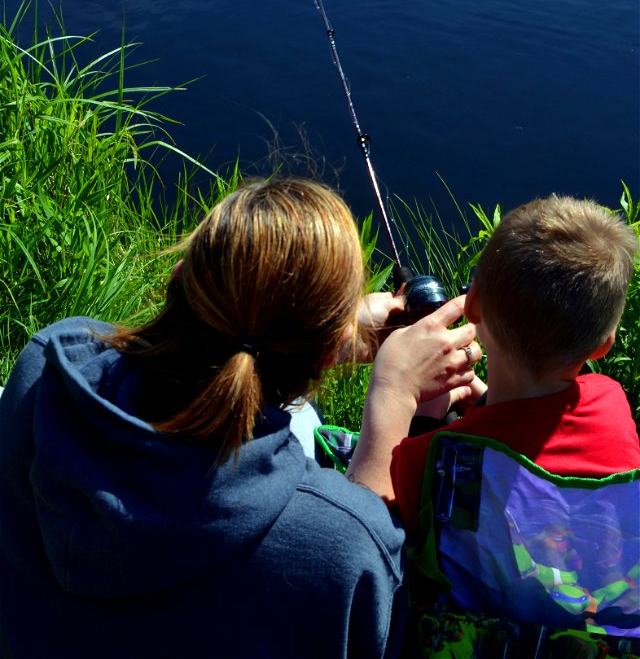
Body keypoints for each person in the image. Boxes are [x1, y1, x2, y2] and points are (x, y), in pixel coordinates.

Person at [0, 176, 481, 659]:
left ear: (177, 279)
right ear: (319, 355)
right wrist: (397, 401)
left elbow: (210, 352)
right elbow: (372, 569)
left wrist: (322, 334)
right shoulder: (338, 546)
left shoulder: (47, 371)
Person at [347, 194, 640, 653]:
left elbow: (359, 524)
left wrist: (394, 391)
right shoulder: (612, 404)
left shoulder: (433, 460)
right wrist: (481, 404)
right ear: (603, 344)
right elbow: (538, 450)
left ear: (473, 305)